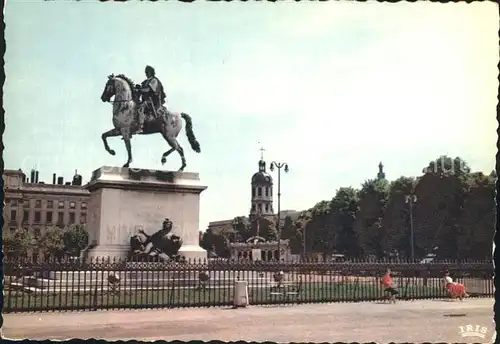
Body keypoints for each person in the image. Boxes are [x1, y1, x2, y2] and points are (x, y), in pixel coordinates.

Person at [135, 65, 167, 134]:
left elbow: (149, 90)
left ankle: (140, 127)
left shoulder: (154, 80)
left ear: (151, 72)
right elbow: (142, 90)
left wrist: (140, 89)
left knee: (141, 108)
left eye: (147, 72)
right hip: (146, 100)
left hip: (153, 101)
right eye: (146, 72)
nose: (146, 73)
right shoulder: (145, 81)